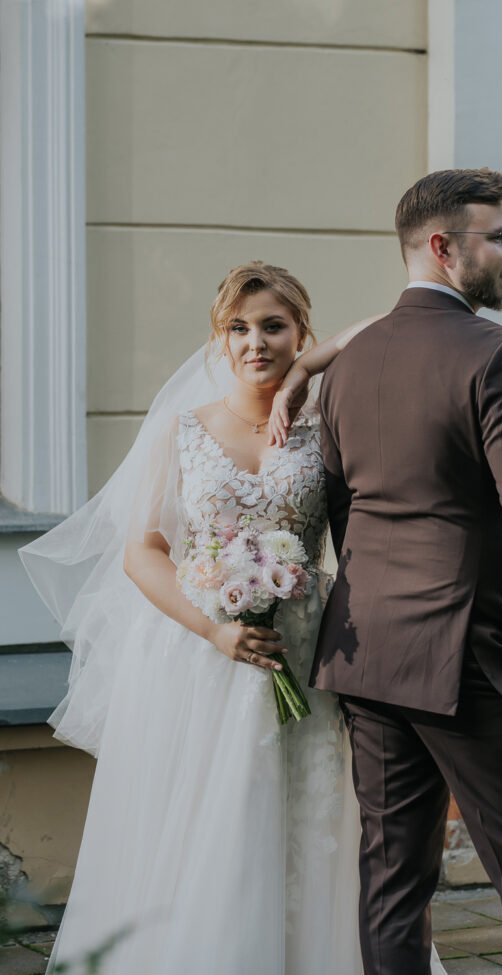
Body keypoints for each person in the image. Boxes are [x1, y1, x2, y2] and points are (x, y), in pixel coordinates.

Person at [22, 262, 414, 975]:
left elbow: (389, 326)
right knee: (208, 816)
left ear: (302, 333)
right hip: (199, 656)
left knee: (304, 814)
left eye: (273, 326)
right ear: (219, 338)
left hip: (303, 651)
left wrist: (310, 373)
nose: (254, 342)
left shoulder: (326, 427)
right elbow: (142, 552)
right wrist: (215, 629)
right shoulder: (183, 431)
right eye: (238, 327)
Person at [272, 169, 502, 975]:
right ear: (444, 247)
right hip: (475, 659)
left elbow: (344, 511)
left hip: (367, 655)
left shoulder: (348, 365)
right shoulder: (498, 354)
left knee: (392, 881)